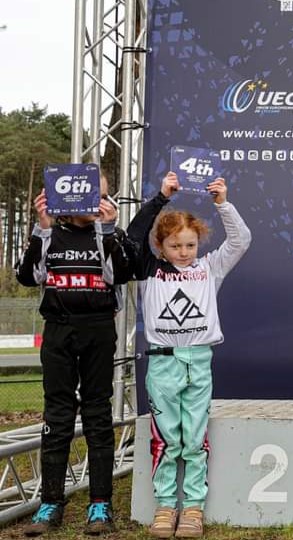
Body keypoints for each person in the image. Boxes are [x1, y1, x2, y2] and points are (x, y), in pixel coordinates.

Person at [126, 172, 251, 538]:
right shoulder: (150, 271)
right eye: (175, 246)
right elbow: (134, 237)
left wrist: (222, 203)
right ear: (161, 246)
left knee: (194, 440)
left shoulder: (209, 268)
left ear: (199, 245)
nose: (183, 253)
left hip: (198, 361)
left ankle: (193, 508)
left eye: (190, 245)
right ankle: (166, 505)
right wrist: (162, 199)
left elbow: (241, 240)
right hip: (163, 362)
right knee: (166, 438)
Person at [17, 175, 130, 536]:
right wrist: (42, 228)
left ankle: (100, 505)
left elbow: (123, 273)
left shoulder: (110, 233)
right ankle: (50, 503)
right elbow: (26, 277)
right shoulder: (51, 234)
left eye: (102, 195)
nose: (96, 201)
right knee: (58, 415)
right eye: (89, 194)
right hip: (58, 330)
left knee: (98, 413)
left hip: (98, 329)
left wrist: (109, 229)